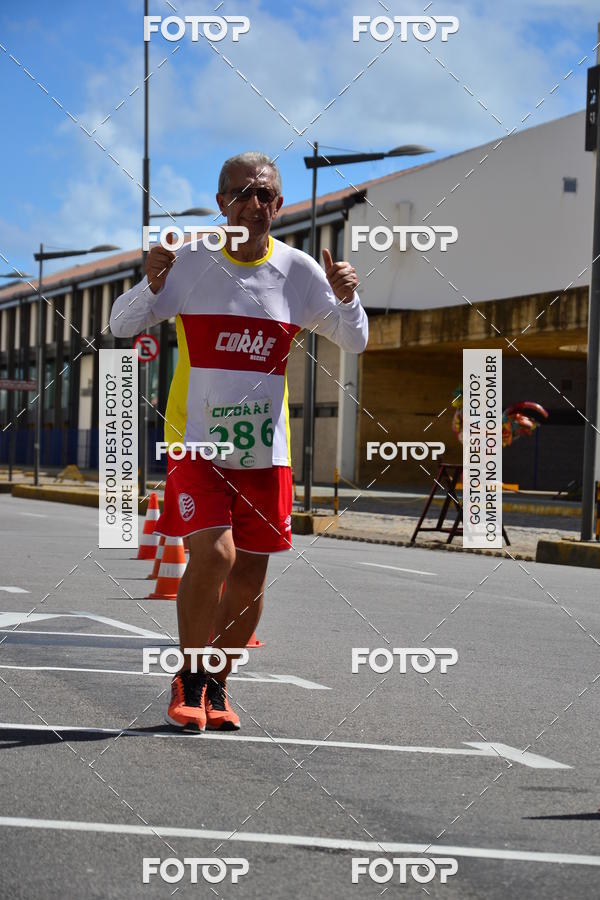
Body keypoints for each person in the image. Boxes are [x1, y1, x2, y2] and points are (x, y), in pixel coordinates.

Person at [110, 151, 368, 732]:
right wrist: (150, 286)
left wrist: (348, 297)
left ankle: (218, 685)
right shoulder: (191, 264)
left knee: (251, 575)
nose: (255, 204)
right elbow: (121, 324)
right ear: (221, 201)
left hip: (264, 452)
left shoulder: (300, 272)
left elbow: (354, 342)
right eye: (242, 193)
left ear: (279, 206)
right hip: (197, 445)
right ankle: (190, 676)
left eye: (267, 196)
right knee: (216, 555)